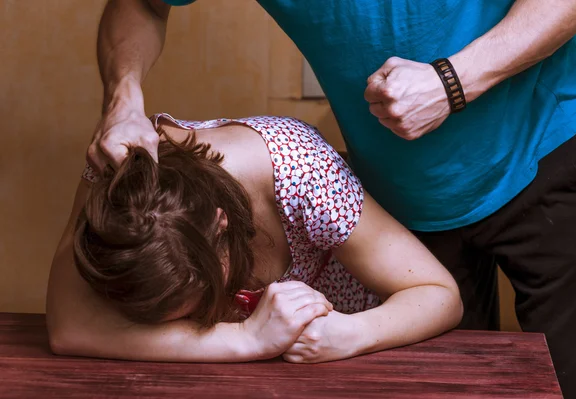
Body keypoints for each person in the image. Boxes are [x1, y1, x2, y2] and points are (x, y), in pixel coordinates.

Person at [87, 1, 576, 396]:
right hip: (404, 192)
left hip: (550, 144)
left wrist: (453, 81)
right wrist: (122, 100)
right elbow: (141, 3)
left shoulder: (295, 165)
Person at [46, 113, 463, 363]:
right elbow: (69, 328)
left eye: (192, 299)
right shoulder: (117, 174)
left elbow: (439, 293)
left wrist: (352, 335)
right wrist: (246, 341)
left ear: (220, 225)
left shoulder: (304, 172)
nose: (173, 326)